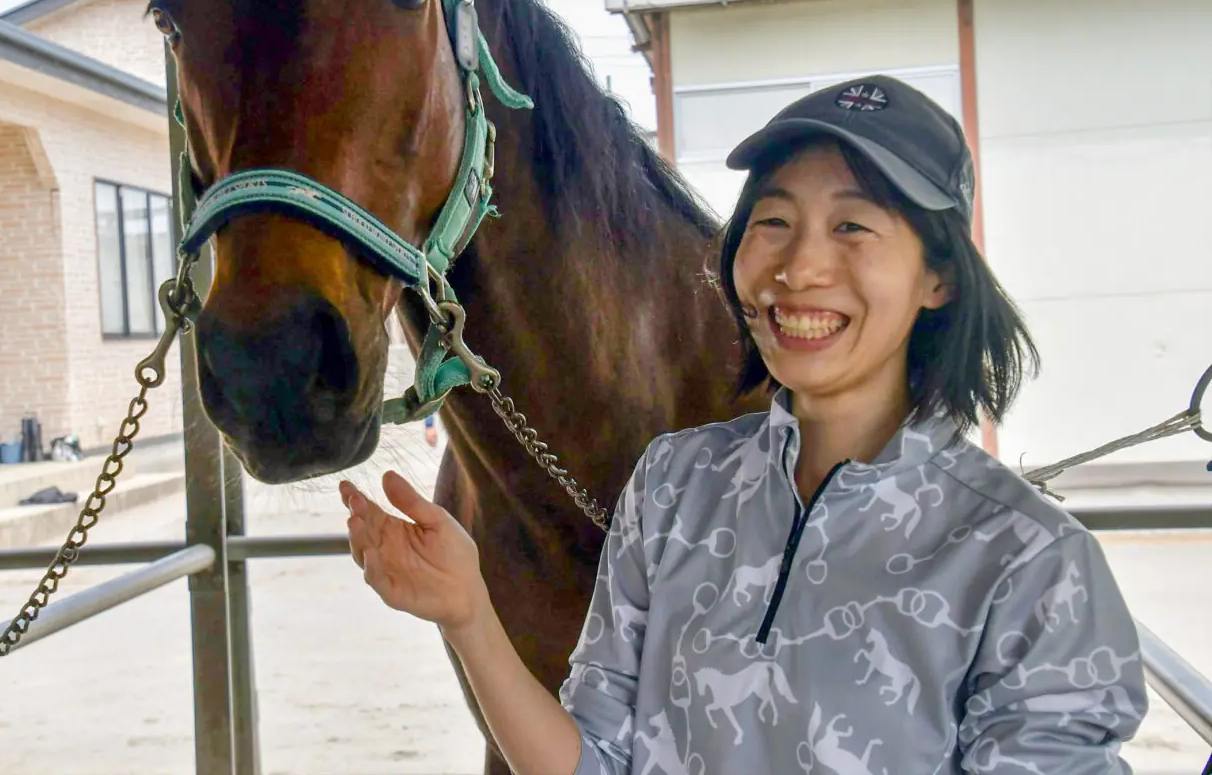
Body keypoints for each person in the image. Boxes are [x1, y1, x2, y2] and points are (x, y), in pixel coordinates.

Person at [340, 75, 1147, 773]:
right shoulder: (673, 484)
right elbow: (592, 760)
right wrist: (470, 614)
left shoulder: (1032, 565)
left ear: (938, 275)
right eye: (772, 222)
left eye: (852, 227)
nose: (799, 268)